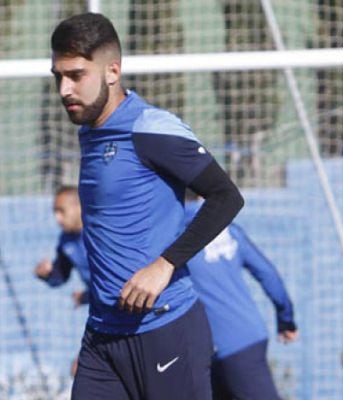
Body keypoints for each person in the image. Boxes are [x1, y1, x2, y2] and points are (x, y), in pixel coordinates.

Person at [50, 13, 244, 400]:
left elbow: (226, 197)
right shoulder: (90, 130)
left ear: (112, 72)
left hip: (165, 329)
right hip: (102, 338)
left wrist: (164, 265)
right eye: (57, 76)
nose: (63, 89)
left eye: (75, 75)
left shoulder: (150, 127)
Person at [185, 193, 298, 400]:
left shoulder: (170, 233)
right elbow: (267, 273)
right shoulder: (226, 228)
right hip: (247, 336)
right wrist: (286, 319)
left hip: (221, 348)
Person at [34, 185, 90, 307]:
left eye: (61, 211)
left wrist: (85, 297)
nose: (57, 218)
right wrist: (48, 274)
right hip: (103, 312)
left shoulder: (101, 231)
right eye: (55, 212)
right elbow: (61, 275)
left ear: (78, 207)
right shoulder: (65, 240)